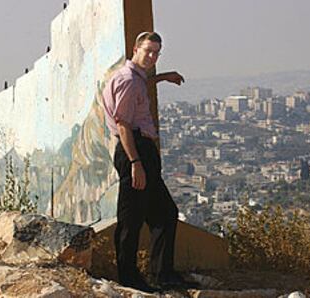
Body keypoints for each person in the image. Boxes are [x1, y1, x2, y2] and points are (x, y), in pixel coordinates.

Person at [102, 31, 187, 293]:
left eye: (156, 52)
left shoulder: (132, 76)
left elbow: (142, 80)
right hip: (135, 151)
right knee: (131, 219)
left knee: (164, 214)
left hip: (141, 151)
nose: (152, 56)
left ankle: (163, 274)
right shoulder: (128, 81)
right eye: (148, 51)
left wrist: (163, 77)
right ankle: (129, 278)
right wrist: (135, 162)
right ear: (136, 48)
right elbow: (123, 124)